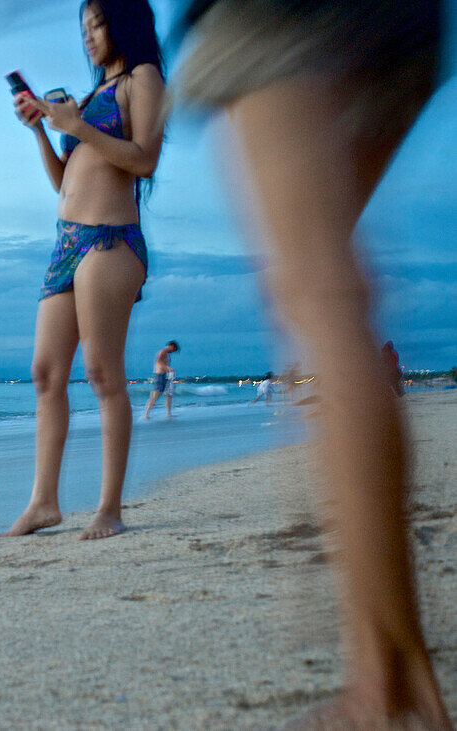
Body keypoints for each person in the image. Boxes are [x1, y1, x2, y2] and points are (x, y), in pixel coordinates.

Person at [179, 1, 451, 727]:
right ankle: (388, 657)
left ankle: (384, 677)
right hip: (409, 25)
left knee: (317, 292)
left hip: (279, 15)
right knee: (323, 286)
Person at [4, 0, 166, 541]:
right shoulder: (91, 94)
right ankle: (43, 502)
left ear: (123, 23)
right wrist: (43, 131)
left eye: (98, 23)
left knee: (102, 373)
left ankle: (109, 510)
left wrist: (78, 125)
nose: (90, 35)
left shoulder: (141, 80)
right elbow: (64, 182)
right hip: (66, 243)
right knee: (46, 373)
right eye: (84, 27)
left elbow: (144, 159)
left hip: (111, 240)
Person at [142, 340, 179, 419]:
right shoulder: (162, 352)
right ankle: (146, 414)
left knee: (168, 395)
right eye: (173, 350)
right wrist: (167, 368)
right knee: (155, 395)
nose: (172, 352)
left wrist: (169, 371)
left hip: (165, 375)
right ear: (171, 346)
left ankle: (169, 413)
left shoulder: (167, 354)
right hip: (159, 375)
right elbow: (158, 362)